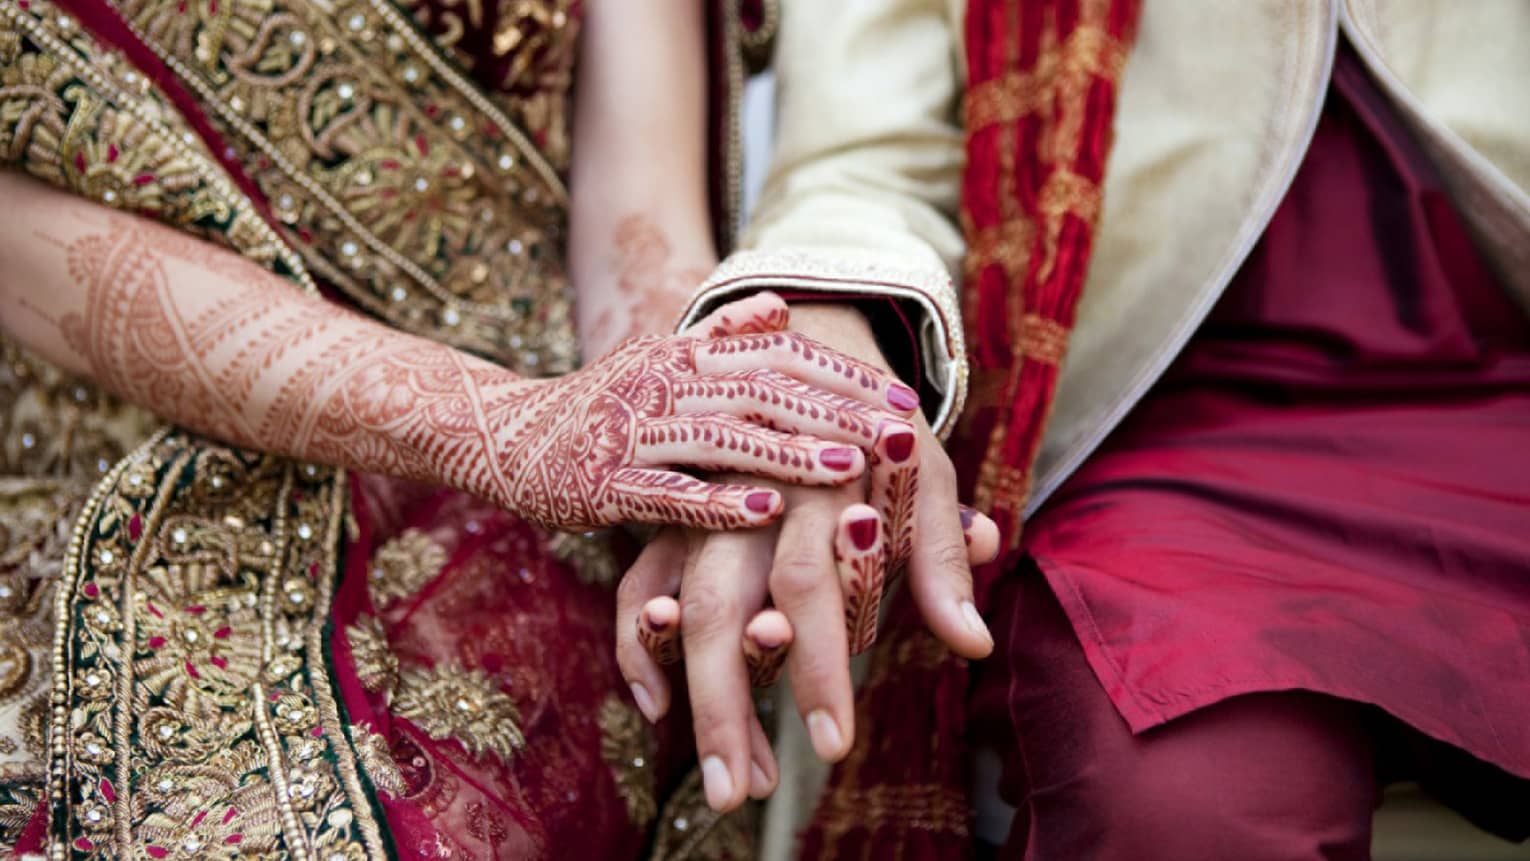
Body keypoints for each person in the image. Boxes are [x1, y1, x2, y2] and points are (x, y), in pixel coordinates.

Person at [0, 0, 997, 856]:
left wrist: (709, 452)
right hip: (87, 448)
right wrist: (500, 428)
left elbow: (638, 214)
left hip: (545, 466)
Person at [630, 0, 1530, 858]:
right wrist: (823, 361)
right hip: (1150, 445)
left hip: (1499, 409)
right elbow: (861, 171)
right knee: (1188, 806)